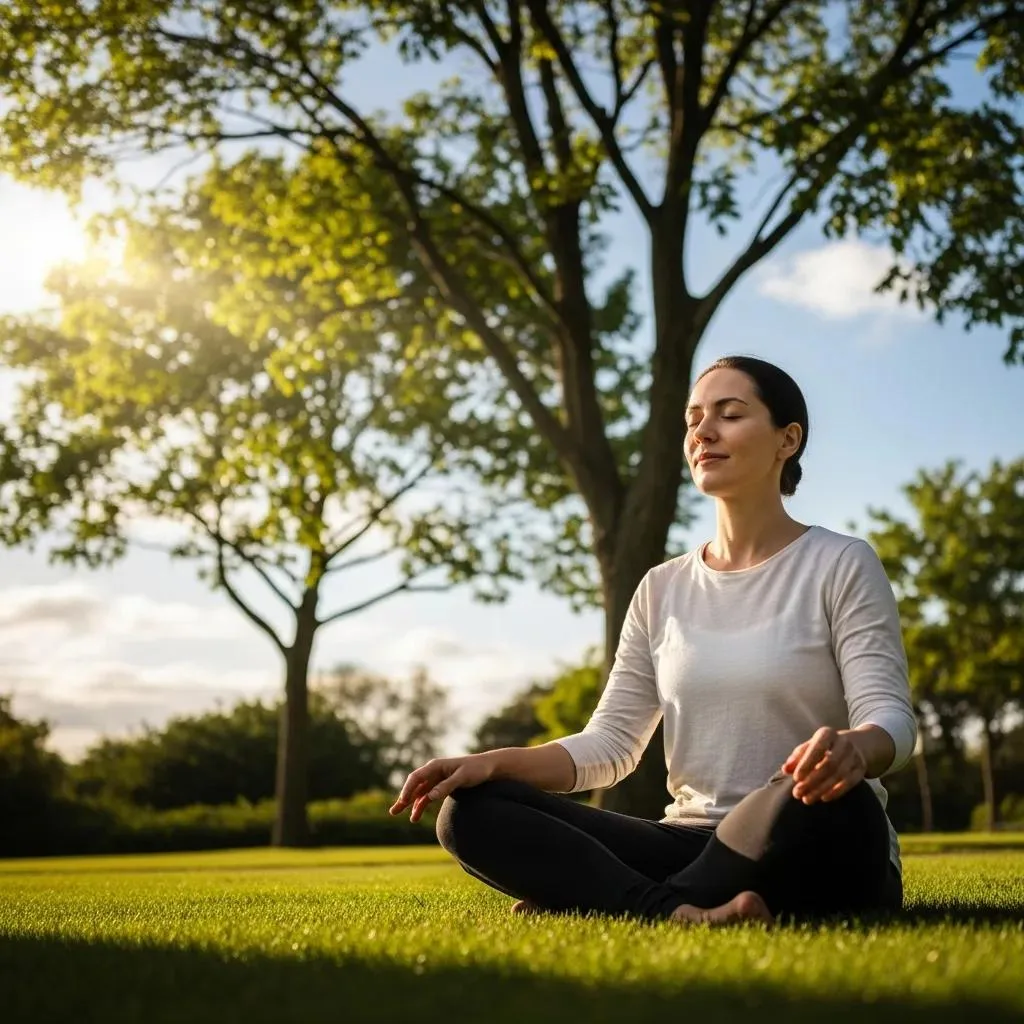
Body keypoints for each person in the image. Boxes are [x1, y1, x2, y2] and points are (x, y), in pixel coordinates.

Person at [389, 355, 917, 927]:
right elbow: (611, 744)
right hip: (686, 842)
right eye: (693, 420)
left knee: (814, 795)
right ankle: (675, 908)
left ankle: (611, 897)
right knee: (469, 813)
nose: (703, 432)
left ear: (788, 439)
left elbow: (890, 717)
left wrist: (854, 749)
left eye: (730, 414)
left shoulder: (840, 562)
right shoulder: (662, 587)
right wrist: (494, 765)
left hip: (812, 831)